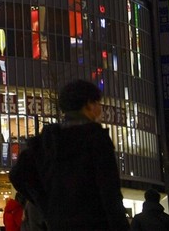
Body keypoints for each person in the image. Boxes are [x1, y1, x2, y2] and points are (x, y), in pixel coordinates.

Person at [9, 79, 129, 231]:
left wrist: (46, 204)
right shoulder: (95, 138)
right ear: (88, 105)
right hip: (94, 224)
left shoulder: (47, 140)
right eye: (97, 103)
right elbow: (110, 193)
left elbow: (17, 175)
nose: (99, 109)